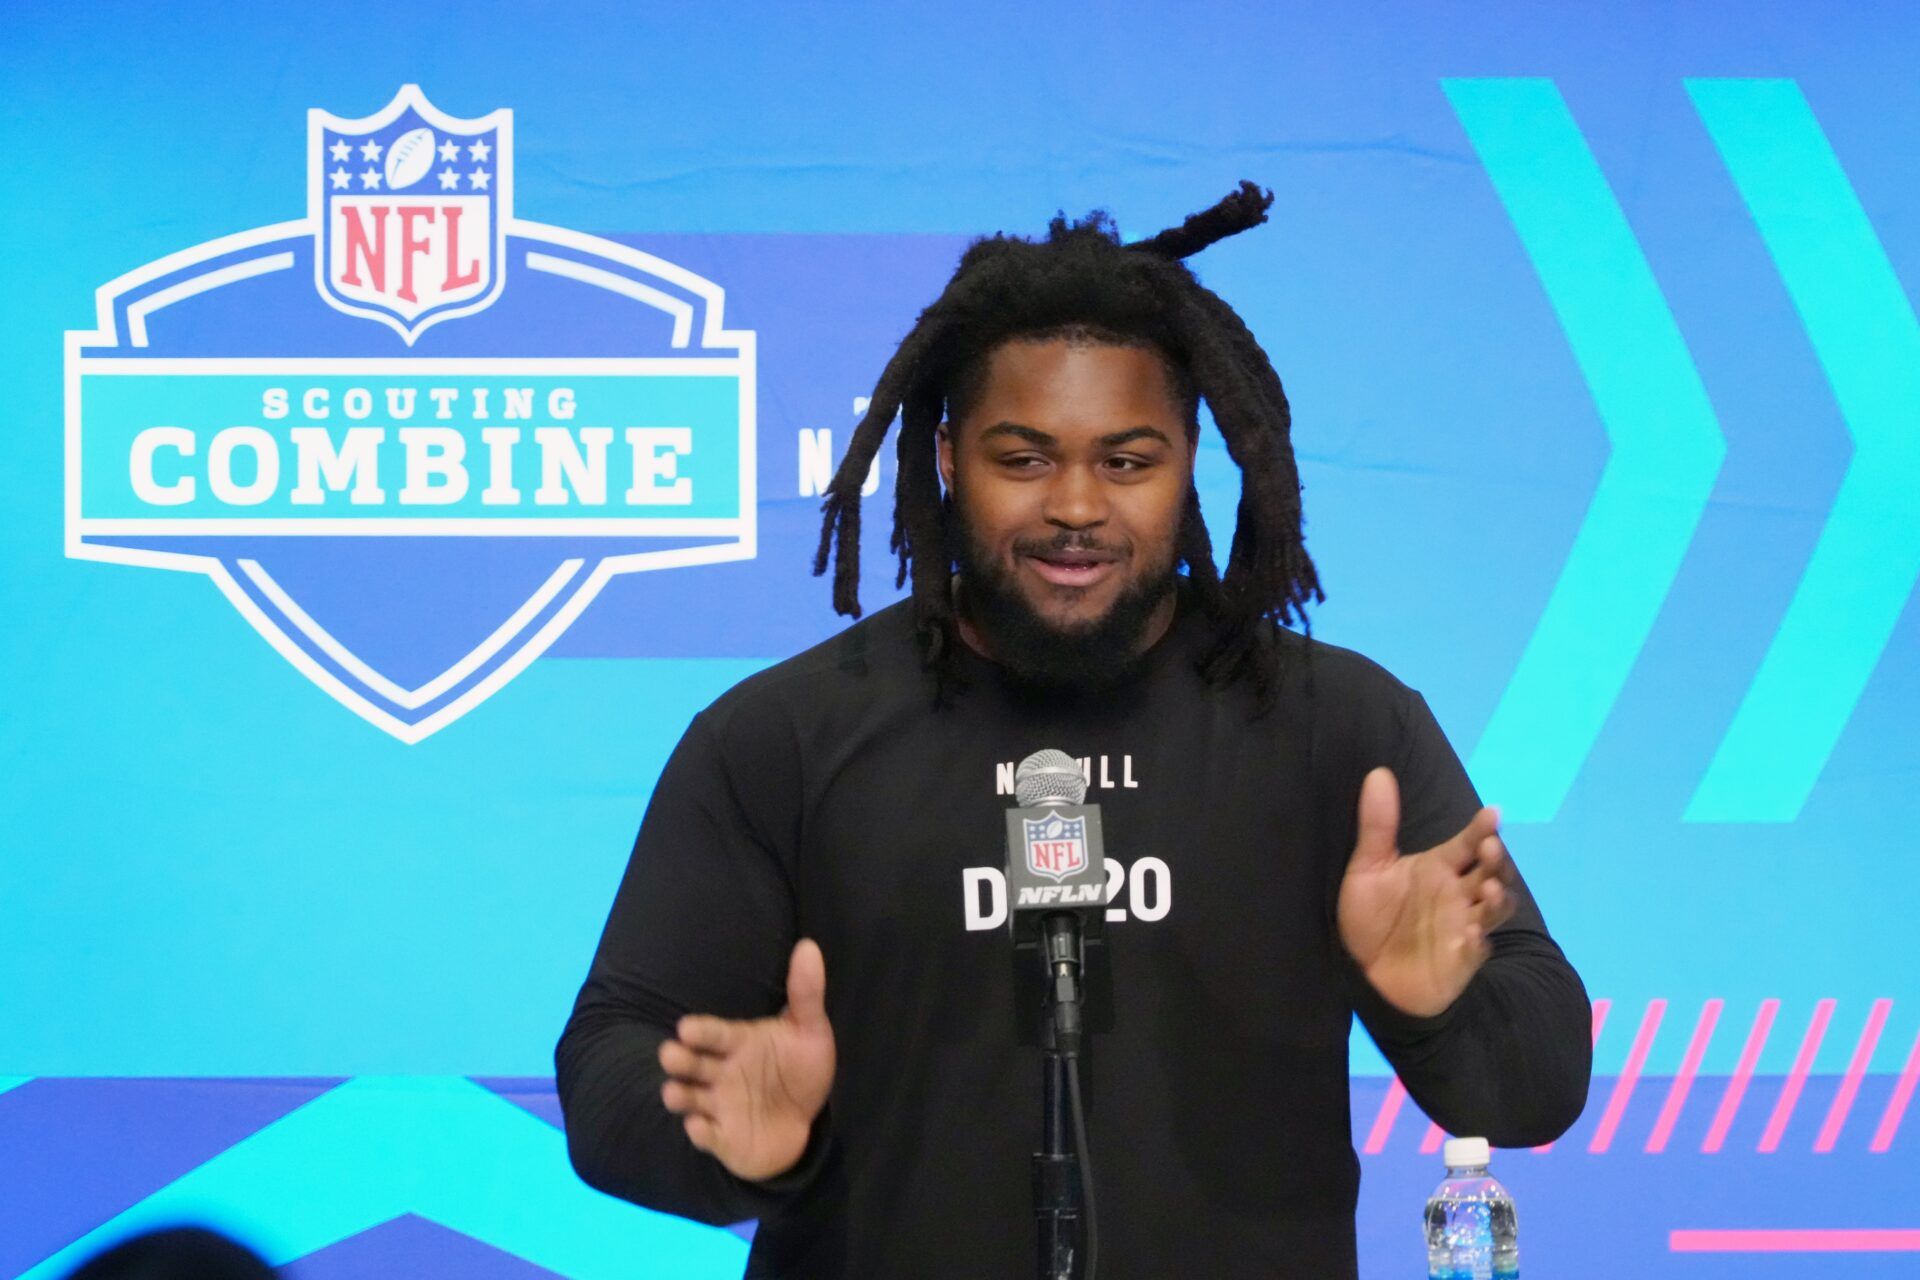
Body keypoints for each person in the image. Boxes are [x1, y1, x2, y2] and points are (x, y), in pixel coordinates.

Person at [555, 183, 1591, 1279]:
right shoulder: (784, 737)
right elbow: (610, 1064)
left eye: (1128, 460)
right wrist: (734, 1141)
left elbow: (1535, 1085)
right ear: (950, 459)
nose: (1079, 507)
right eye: (1026, 458)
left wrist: (1432, 1004)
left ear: (1192, 458)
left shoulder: (1335, 727)